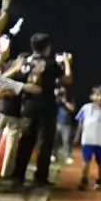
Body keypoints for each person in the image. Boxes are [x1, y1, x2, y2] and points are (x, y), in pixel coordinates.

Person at [11, 33, 71, 187]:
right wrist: (67, 62)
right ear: (47, 47)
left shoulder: (26, 62)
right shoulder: (50, 64)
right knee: (45, 143)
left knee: (26, 141)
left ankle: (18, 175)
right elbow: (66, 80)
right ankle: (40, 177)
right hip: (47, 106)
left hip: (28, 105)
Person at [75, 86, 101, 190]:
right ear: (92, 96)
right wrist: (77, 136)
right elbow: (80, 122)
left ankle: (99, 180)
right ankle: (84, 180)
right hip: (88, 139)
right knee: (86, 160)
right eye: (97, 95)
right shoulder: (86, 107)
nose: (99, 97)